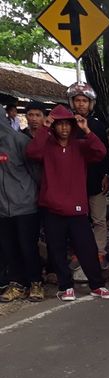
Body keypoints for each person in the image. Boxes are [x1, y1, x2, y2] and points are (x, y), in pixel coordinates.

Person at [25, 105, 109, 301]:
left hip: (76, 208)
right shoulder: (46, 145)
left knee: (87, 248)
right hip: (51, 207)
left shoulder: (81, 145)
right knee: (56, 249)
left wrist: (87, 130)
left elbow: (100, 152)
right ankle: (65, 286)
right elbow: (32, 152)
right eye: (60, 125)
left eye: (68, 124)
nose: (64, 128)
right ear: (54, 127)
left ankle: (97, 285)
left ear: (72, 126)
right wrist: (44, 127)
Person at [66, 83, 109, 269]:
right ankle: (80, 251)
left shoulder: (97, 126)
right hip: (73, 182)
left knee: (99, 219)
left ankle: (100, 251)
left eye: (84, 101)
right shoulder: (65, 125)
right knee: (78, 220)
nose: (81, 104)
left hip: (95, 180)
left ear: (90, 103)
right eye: (77, 100)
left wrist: (107, 174)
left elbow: (105, 154)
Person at [0, 110, 44, 302]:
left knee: (28, 247)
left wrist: (35, 198)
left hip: (26, 207)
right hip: (2, 209)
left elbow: (36, 174)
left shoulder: (19, 141)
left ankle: (36, 283)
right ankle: (17, 284)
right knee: (9, 249)